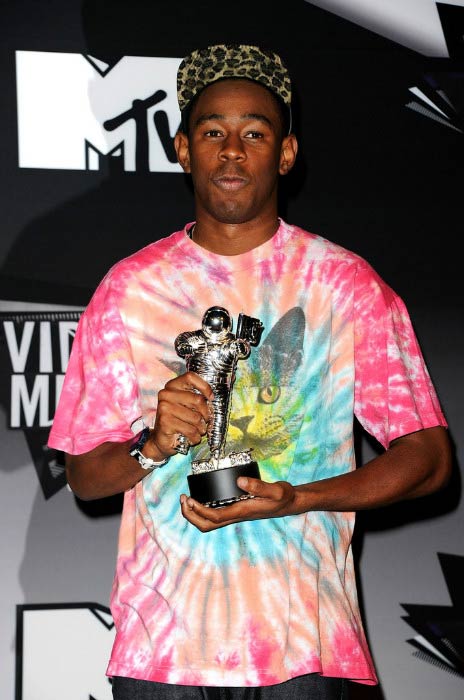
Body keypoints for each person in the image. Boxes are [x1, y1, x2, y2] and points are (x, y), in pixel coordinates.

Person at [48, 43, 452, 700]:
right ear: (182, 148)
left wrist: (302, 497)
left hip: (304, 642)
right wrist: (150, 445)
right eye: (212, 132)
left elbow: (430, 460)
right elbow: (87, 478)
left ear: (286, 154)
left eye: (254, 133)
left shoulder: (344, 284)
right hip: (163, 653)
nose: (232, 150)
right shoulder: (128, 290)